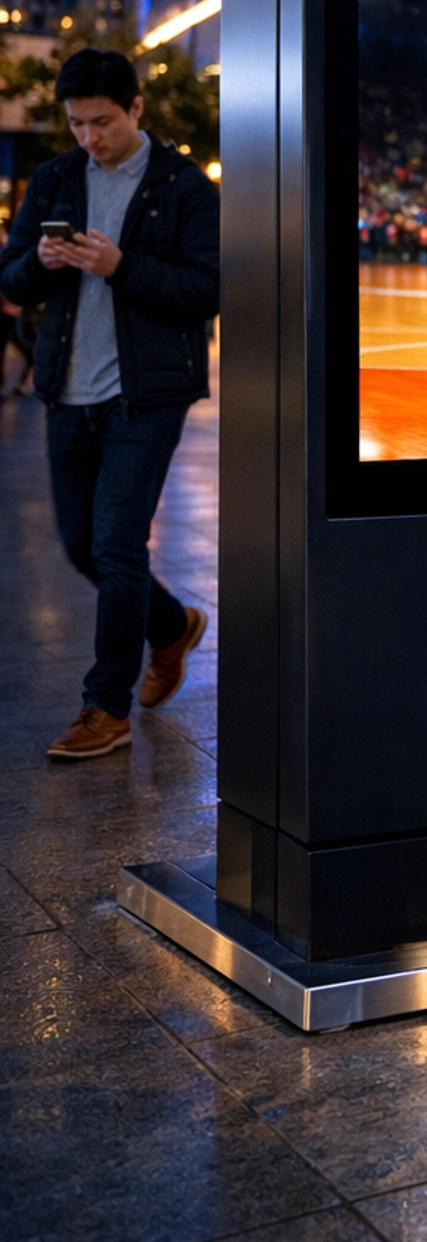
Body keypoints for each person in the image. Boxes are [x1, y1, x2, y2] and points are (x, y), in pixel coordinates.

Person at [0, 48, 220, 762]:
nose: (89, 138)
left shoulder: (182, 185)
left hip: (147, 392)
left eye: (102, 122)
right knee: (81, 547)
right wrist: (43, 263)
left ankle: (105, 708)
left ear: (136, 110)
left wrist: (119, 267)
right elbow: (12, 276)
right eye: (76, 124)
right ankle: (171, 626)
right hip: (66, 386)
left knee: (119, 544)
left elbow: (205, 290)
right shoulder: (58, 179)